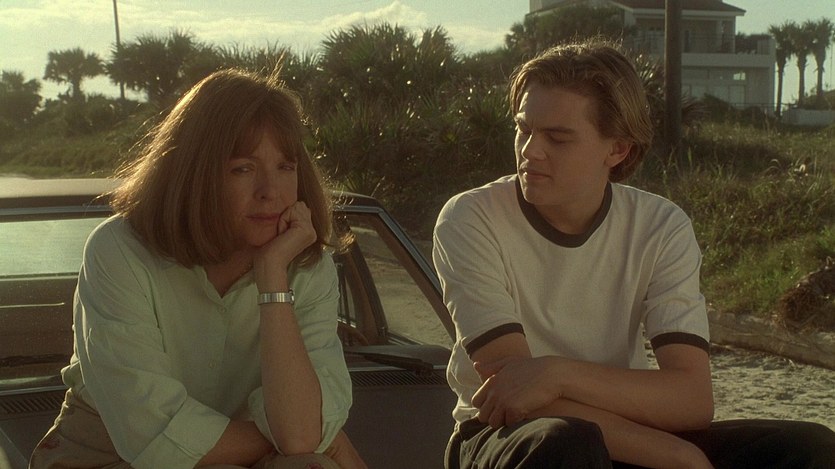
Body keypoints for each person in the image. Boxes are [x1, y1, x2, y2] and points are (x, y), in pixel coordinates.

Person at [432, 38, 835, 468]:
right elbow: (513, 394)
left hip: (623, 428)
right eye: (523, 129)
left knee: (809, 447)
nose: (530, 150)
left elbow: (692, 400)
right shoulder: (471, 218)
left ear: (617, 148)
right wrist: (680, 456)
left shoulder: (660, 226)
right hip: (503, 434)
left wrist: (556, 373)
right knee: (567, 443)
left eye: (557, 137)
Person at [30, 69, 367, 469]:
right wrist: (314, 442)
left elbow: (297, 437)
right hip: (107, 454)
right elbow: (151, 433)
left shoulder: (305, 264)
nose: (270, 191)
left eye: (285, 166)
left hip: (244, 452)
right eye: (243, 168)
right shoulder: (120, 250)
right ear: (197, 174)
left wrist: (272, 276)